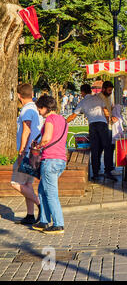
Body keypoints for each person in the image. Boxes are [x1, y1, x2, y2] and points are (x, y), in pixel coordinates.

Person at [32, 96, 68, 234]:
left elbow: (46, 138)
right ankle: (44, 220)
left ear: (45, 108)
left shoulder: (50, 120)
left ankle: (59, 224)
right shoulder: (62, 120)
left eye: (40, 108)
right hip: (60, 160)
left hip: (50, 160)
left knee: (51, 193)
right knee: (42, 190)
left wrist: (38, 146)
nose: (39, 111)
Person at [67, 84, 118, 181]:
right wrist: (107, 122)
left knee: (95, 150)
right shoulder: (98, 98)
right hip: (102, 124)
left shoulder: (82, 102)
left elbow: (73, 116)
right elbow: (106, 111)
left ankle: (95, 173)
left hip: (93, 126)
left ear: (82, 92)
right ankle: (108, 171)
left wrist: (63, 122)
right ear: (90, 91)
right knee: (106, 147)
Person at [12, 83, 42, 225]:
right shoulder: (35, 108)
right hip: (35, 151)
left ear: (19, 95)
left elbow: (26, 130)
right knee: (27, 184)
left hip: (27, 152)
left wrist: (21, 151)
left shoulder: (25, 111)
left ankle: (39, 204)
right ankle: (30, 215)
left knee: (15, 183)